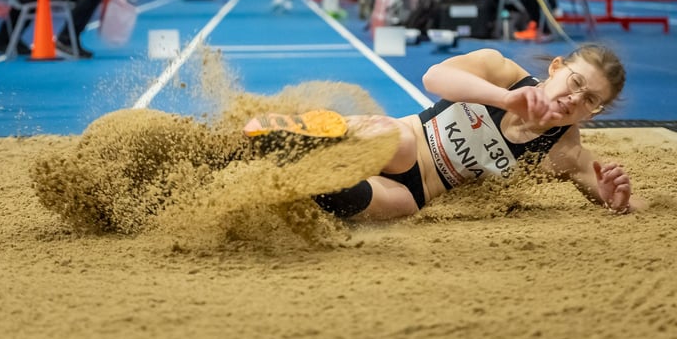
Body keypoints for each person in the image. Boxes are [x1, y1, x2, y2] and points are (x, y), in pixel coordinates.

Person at [243, 44, 641, 221]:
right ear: (555, 68)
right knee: (393, 141)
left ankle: (282, 185)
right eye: (575, 83)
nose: (576, 100)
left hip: (418, 192)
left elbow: (620, 200)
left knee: (375, 203)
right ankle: (289, 138)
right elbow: (435, 76)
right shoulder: (499, 70)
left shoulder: (566, 151)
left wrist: (615, 200)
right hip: (406, 143)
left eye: (590, 100)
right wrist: (505, 99)